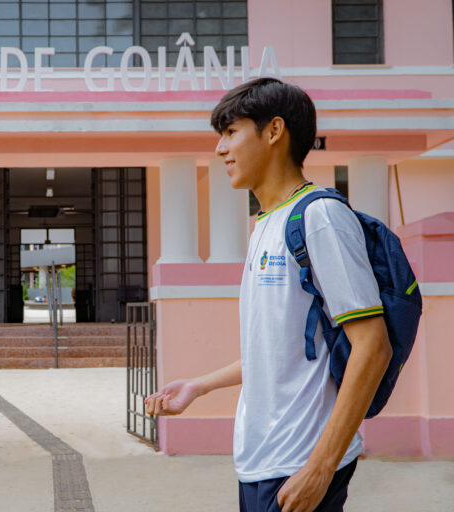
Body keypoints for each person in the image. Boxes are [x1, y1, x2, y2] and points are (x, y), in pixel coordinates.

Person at [146, 78, 392, 512]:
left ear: (274, 131)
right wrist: (197, 388)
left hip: (301, 461)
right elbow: (279, 349)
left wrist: (320, 467)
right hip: (261, 460)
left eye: (231, 132)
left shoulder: (320, 217)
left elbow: (372, 347)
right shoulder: (266, 224)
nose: (220, 149)